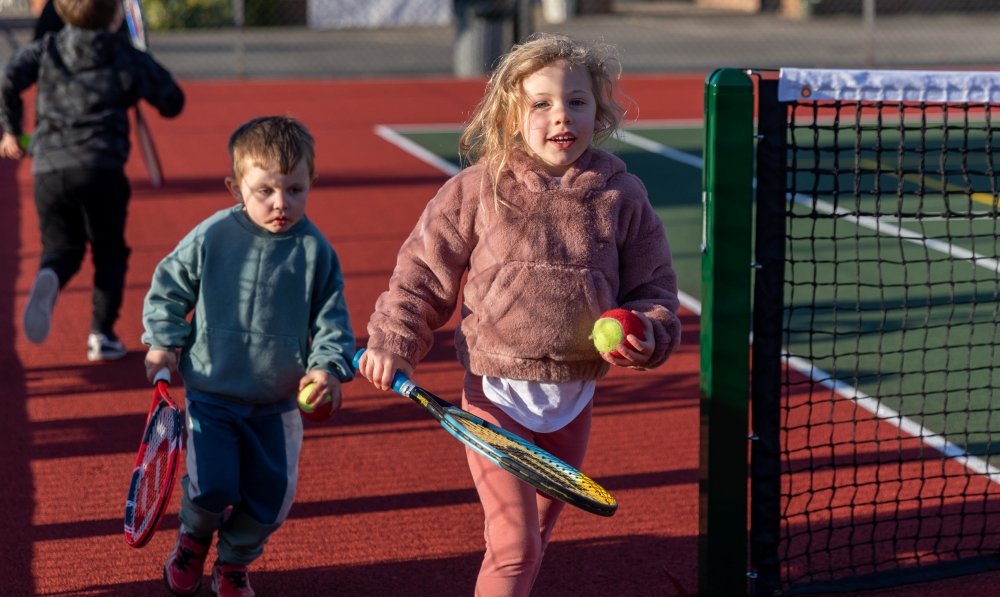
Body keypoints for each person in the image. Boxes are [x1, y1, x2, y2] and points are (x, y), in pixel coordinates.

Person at [358, 33, 681, 597]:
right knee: (515, 545)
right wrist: (392, 340)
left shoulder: (622, 196)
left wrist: (647, 334)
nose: (562, 115)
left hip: (572, 400)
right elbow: (421, 277)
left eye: (576, 101)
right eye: (542, 103)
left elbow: (654, 290)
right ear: (511, 114)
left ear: (598, 112)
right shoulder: (476, 189)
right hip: (495, 395)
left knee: (531, 544)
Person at [141, 116, 355, 597]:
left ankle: (234, 561)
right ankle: (194, 540)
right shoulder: (214, 234)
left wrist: (327, 367)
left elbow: (332, 319)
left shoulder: (315, 250)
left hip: (277, 404)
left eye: (296, 189)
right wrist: (163, 339)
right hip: (213, 394)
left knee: (270, 498)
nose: (282, 203)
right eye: (265, 191)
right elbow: (170, 286)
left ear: (310, 184)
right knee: (212, 485)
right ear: (235, 186)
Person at [0, 0, 184, 360]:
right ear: (117, 15)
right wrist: (141, 82)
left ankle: (50, 275)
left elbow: (9, 77)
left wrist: (10, 130)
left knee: (63, 247)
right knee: (109, 250)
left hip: (49, 167)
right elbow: (173, 101)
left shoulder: (48, 47)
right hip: (101, 167)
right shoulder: (125, 54)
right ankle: (102, 334)